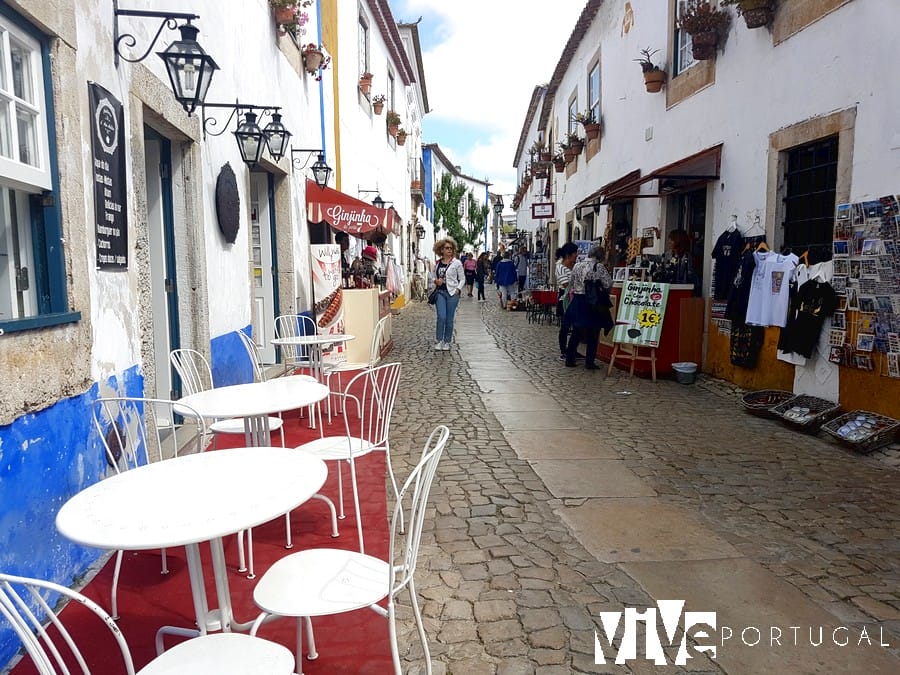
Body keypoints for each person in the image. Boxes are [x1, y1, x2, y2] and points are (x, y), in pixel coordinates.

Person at [564, 245, 613, 370]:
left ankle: (569, 358)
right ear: (600, 256)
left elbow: (571, 282)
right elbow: (608, 283)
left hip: (578, 300)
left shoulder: (577, 265)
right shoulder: (599, 267)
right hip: (592, 302)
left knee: (577, 330)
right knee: (593, 332)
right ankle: (589, 362)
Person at [429, 237, 464, 351]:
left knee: (449, 319)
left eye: (451, 248)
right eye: (447, 248)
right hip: (440, 293)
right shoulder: (438, 263)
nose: (449, 250)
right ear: (441, 250)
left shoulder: (457, 263)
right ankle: (439, 340)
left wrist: (458, 289)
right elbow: (433, 276)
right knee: (441, 317)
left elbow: (462, 279)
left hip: (452, 293)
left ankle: (447, 341)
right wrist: (436, 281)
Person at [555, 242, 581, 361]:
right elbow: (566, 285)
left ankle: (573, 350)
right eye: (575, 253)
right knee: (565, 326)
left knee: (576, 326)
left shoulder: (574, 266)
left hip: (575, 297)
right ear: (568, 255)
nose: (577, 255)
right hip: (565, 298)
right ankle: (564, 350)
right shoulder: (560, 267)